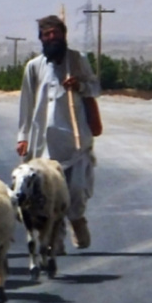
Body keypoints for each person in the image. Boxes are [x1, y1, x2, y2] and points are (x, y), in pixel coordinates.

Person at [17, 15, 100, 249]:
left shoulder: (77, 61)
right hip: (44, 143)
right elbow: (26, 104)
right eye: (47, 34)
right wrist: (23, 137)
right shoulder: (34, 67)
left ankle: (77, 221)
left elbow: (95, 87)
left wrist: (80, 85)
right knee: (48, 194)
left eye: (56, 33)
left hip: (75, 139)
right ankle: (55, 239)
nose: (52, 38)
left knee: (76, 190)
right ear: (41, 38)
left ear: (64, 35)